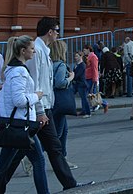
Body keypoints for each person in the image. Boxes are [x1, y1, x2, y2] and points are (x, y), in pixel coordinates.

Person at [0, 18, 89, 192]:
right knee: (43, 150)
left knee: (33, 150)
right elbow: (34, 84)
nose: (58, 33)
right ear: (50, 32)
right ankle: (70, 185)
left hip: (44, 107)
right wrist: (40, 111)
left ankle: (70, 185)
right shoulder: (36, 51)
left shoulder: (44, 50)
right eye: (57, 30)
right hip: (40, 109)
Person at [0, 36, 49, 194]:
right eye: (32, 48)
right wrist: (37, 96)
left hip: (16, 123)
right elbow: (19, 100)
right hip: (19, 124)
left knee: (2, 164)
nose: (34, 51)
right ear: (23, 50)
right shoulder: (19, 71)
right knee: (36, 161)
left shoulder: (14, 69)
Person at [50, 40, 76, 169]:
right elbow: (60, 83)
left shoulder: (50, 64)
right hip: (60, 102)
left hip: (53, 101)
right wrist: (70, 78)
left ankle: (64, 158)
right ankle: (30, 155)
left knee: (64, 131)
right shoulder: (60, 65)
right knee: (57, 134)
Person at [71, 52, 90, 118]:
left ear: (81, 56)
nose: (75, 58)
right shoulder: (77, 64)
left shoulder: (82, 65)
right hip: (77, 83)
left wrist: (72, 77)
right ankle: (83, 111)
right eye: (75, 56)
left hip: (82, 84)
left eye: (77, 56)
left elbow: (78, 74)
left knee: (84, 98)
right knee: (73, 95)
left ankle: (88, 112)